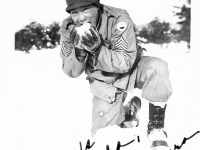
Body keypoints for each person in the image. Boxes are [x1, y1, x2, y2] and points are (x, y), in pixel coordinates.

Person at [59, 0, 173, 149]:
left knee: (157, 67)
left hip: (132, 70)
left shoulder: (119, 19)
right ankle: (127, 113)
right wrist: (79, 53)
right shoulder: (69, 29)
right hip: (104, 82)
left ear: (97, 7)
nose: (81, 18)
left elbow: (125, 61)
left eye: (85, 10)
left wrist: (97, 50)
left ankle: (156, 128)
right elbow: (71, 71)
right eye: (74, 12)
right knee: (103, 140)